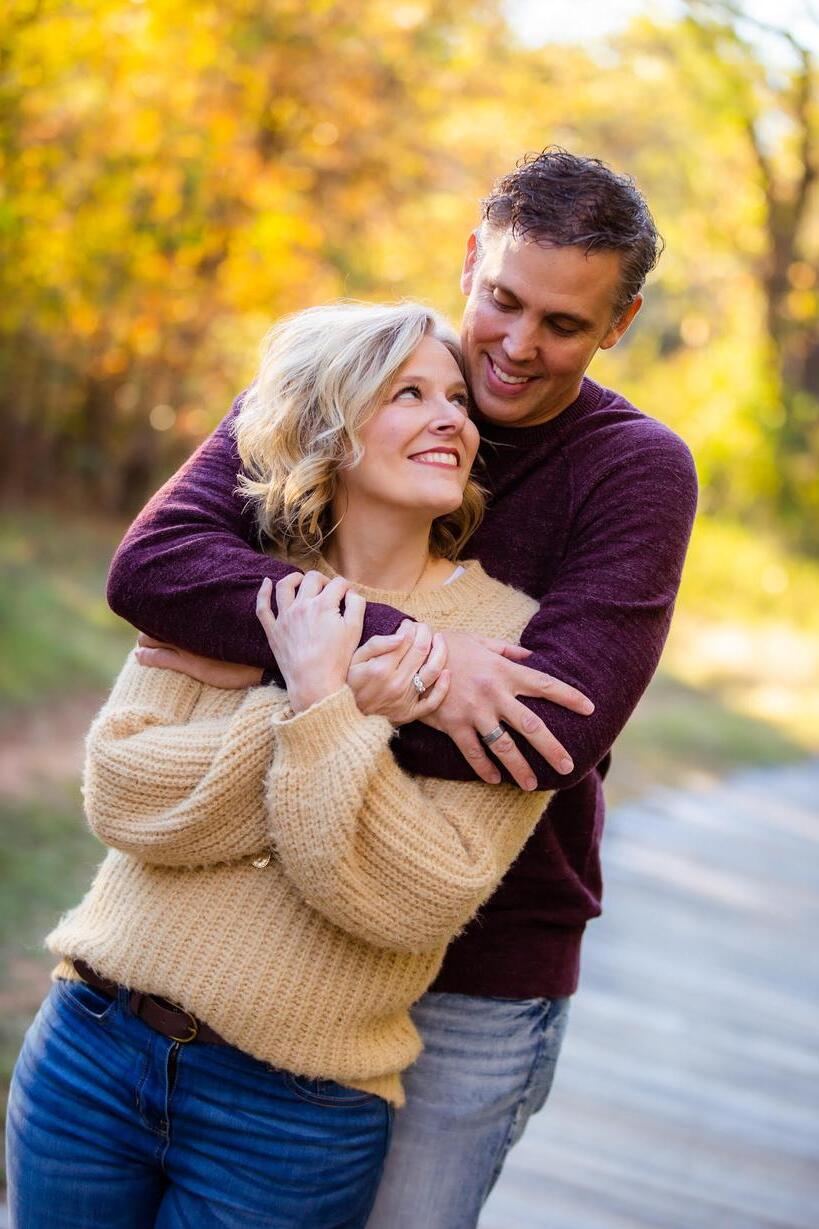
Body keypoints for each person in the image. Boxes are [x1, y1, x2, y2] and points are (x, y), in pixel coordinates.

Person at [104, 149, 699, 1228]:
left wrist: (303, 665)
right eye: (503, 299)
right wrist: (417, 654)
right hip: (274, 936)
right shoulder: (343, 377)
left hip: (480, 966)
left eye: (563, 323)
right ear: (470, 260)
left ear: (620, 323)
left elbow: (547, 733)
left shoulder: (633, 469)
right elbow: (156, 569)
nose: (517, 345)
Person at [6, 303, 595, 1229]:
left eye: (455, 398)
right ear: (332, 425)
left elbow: (415, 899)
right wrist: (330, 701)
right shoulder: (232, 579)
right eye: (409, 394)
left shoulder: (500, 644)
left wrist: (322, 701)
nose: (451, 417)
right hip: (92, 1048)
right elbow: (123, 793)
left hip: (288, 1119)